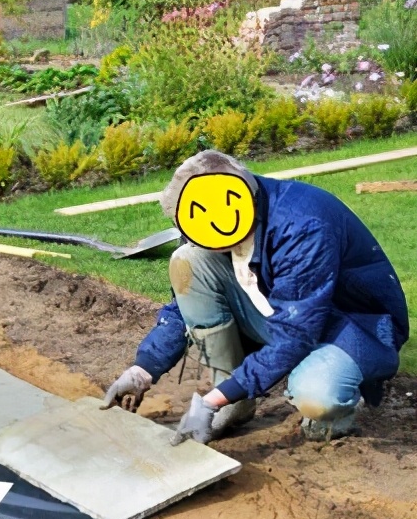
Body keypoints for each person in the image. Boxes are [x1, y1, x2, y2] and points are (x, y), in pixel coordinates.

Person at [102, 150, 408, 445]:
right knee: (188, 260)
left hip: (353, 325)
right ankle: (234, 402)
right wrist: (143, 370)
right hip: (284, 311)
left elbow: (296, 334)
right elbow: (183, 307)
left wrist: (210, 401)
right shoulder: (219, 212)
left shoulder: (303, 227)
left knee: (317, 396)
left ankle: (334, 411)